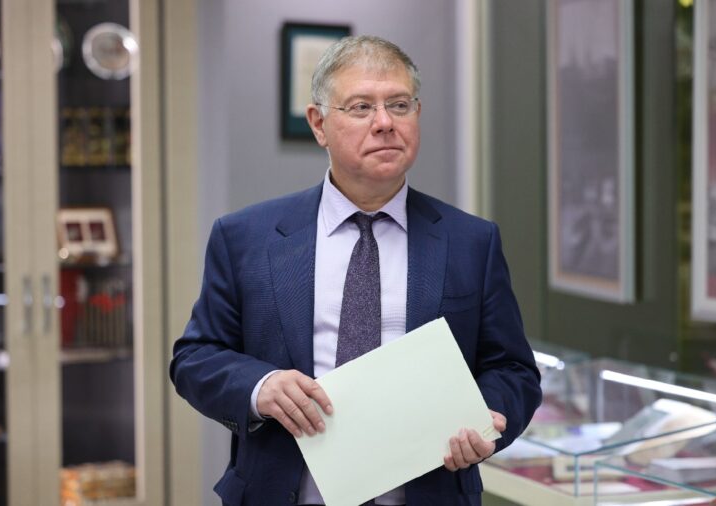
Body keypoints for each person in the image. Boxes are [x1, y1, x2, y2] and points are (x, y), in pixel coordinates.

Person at [170, 35, 542, 506]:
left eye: (399, 105)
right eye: (361, 107)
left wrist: (486, 417)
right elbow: (196, 358)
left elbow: (512, 368)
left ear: (418, 115)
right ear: (318, 124)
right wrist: (260, 388)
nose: (385, 123)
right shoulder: (246, 237)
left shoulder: (471, 241)